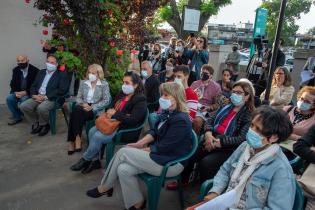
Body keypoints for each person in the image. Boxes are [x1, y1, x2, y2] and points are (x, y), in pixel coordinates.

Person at [85, 82, 193, 210]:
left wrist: (144, 150)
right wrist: (139, 143)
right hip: (160, 156)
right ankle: (137, 203)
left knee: (124, 152)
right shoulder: (169, 112)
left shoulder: (181, 119)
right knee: (123, 169)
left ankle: (105, 186)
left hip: (170, 163)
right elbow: (154, 132)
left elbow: (165, 147)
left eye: (165, 95)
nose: (162, 98)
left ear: (176, 97)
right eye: (162, 95)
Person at [188, 106, 295, 210]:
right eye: (252, 125)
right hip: (224, 204)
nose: (251, 130)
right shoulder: (245, 147)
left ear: (274, 137)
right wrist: (215, 191)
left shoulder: (281, 170)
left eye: (258, 129)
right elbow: (225, 170)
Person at [167, 80, 255, 190]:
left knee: (206, 163)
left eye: (239, 93)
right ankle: (183, 180)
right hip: (211, 137)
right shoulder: (227, 106)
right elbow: (210, 120)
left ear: (247, 96)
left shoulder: (248, 115)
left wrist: (220, 143)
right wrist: (208, 134)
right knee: (190, 152)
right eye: (233, 92)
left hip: (227, 148)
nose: (234, 95)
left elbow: (241, 138)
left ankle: (208, 190)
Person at [70, 71, 147, 174]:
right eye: (123, 82)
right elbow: (112, 106)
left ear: (136, 85)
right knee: (92, 131)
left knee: (97, 136)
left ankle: (85, 159)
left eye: (127, 83)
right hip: (111, 123)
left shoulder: (140, 99)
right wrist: (114, 113)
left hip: (124, 129)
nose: (124, 85)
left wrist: (116, 114)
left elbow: (133, 119)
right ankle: (95, 161)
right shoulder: (122, 94)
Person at [20, 54, 69, 136]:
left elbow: (62, 90)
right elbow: (33, 85)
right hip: (38, 96)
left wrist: (46, 97)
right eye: (48, 62)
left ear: (56, 64)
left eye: (52, 62)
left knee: (41, 108)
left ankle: (45, 125)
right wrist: (34, 95)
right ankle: (38, 123)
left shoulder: (61, 74)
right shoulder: (41, 72)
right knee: (23, 106)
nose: (49, 64)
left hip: (52, 98)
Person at [67, 64, 111, 155]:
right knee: (77, 111)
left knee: (75, 112)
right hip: (83, 105)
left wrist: (93, 107)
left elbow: (106, 100)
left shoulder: (104, 84)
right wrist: (83, 104)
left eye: (93, 73)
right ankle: (77, 138)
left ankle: (73, 141)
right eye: (89, 72)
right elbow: (78, 97)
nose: (90, 75)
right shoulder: (83, 82)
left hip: (95, 109)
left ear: (99, 74)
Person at [6, 55, 39, 125]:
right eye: (18, 61)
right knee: (9, 99)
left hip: (29, 93)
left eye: (22, 60)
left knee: (23, 100)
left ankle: (25, 115)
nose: (20, 62)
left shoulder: (35, 70)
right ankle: (17, 117)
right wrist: (16, 92)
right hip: (18, 92)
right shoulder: (16, 70)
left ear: (27, 60)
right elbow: (12, 83)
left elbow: (36, 86)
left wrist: (26, 92)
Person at [190, 64, 222, 134]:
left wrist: (208, 108)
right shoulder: (195, 83)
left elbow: (217, 104)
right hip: (192, 106)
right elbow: (188, 97)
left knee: (197, 121)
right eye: (202, 72)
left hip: (204, 110)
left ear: (211, 76)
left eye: (206, 73)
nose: (203, 74)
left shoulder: (216, 87)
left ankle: (193, 139)